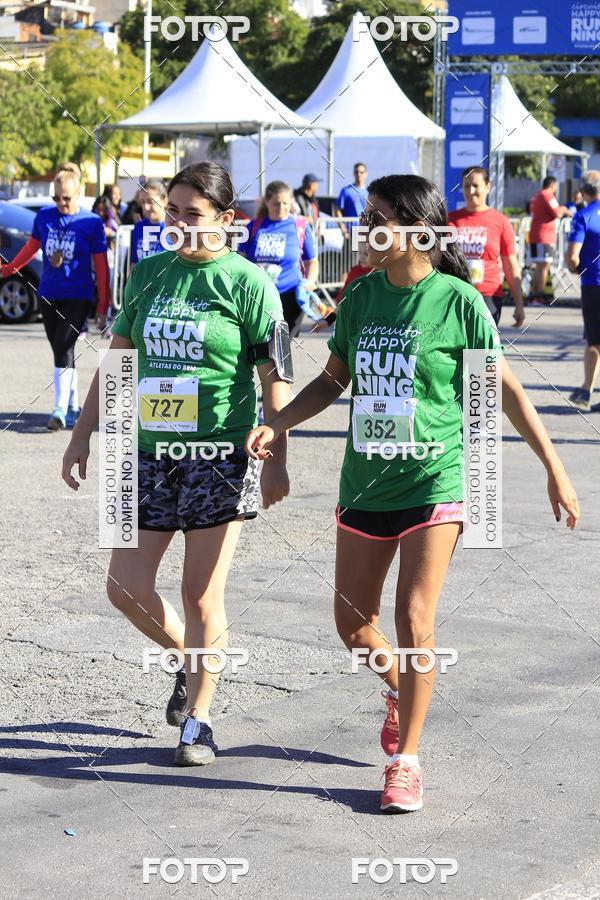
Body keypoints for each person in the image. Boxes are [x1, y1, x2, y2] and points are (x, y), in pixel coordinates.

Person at [246, 174, 579, 814]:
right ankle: (401, 689)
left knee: (414, 620)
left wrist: (552, 465)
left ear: (417, 231)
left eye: (378, 218)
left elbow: (503, 389)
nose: (364, 229)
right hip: (365, 483)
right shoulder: (363, 294)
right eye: (365, 216)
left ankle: (407, 762)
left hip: (435, 479)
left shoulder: (456, 300)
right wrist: (278, 422)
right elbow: (331, 381)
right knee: (352, 624)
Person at [62, 161, 291, 766]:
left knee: (199, 596)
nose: (181, 225)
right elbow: (118, 364)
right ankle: (190, 664)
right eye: (174, 212)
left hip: (221, 454)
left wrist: (278, 453)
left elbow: (275, 380)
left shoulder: (250, 285)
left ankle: (199, 720)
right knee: (124, 588)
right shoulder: (150, 273)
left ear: (226, 220)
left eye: (193, 214)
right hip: (147, 453)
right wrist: (82, 434)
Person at [0, 166, 110, 430]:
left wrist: (104, 305)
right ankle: (72, 406)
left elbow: (102, 266)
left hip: (79, 295)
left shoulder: (91, 223)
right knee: (62, 351)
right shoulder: (45, 217)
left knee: (63, 345)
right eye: (57, 197)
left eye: (67, 198)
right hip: (49, 293)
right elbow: (31, 247)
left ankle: (59, 409)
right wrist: (9, 268)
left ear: (78, 194)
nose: (61, 203)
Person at [238, 180, 319, 338]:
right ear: (266, 202)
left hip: (290, 296)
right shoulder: (252, 227)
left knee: (281, 347)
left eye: (285, 203)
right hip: (259, 296)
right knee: (261, 345)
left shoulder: (300, 226)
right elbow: (239, 260)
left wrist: (310, 282)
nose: (281, 208)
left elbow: (312, 261)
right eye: (276, 203)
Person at [449, 166, 525, 327]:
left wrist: (519, 303)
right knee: (456, 349)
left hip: (488, 294)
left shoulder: (500, 221)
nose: (470, 191)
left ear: (488, 187)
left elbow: (511, 265)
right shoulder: (449, 220)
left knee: (479, 351)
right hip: (454, 294)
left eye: (476, 185)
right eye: (466, 186)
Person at [565, 170, 600, 410]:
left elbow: (572, 257)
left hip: (594, 285)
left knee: (594, 341)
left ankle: (586, 391)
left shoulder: (582, 216)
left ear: (583, 191)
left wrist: (577, 269)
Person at [528, 176, 572, 306]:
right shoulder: (548, 195)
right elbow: (557, 213)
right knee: (544, 266)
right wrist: (564, 209)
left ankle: (534, 296)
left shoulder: (536, 196)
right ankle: (538, 296)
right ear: (553, 185)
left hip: (535, 234)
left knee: (538, 267)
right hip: (544, 236)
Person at [130, 178, 168, 265]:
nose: (146, 207)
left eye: (150, 202)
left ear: (164, 200)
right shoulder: (139, 226)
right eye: (142, 202)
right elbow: (134, 263)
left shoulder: (174, 228)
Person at [336, 162, 369, 238]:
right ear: (353, 174)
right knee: (351, 250)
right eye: (356, 172)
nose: (359, 174)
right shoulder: (346, 191)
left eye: (361, 172)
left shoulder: (370, 191)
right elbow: (338, 210)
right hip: (351, 231)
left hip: (367, 230)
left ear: (366, 174)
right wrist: (343, 229)